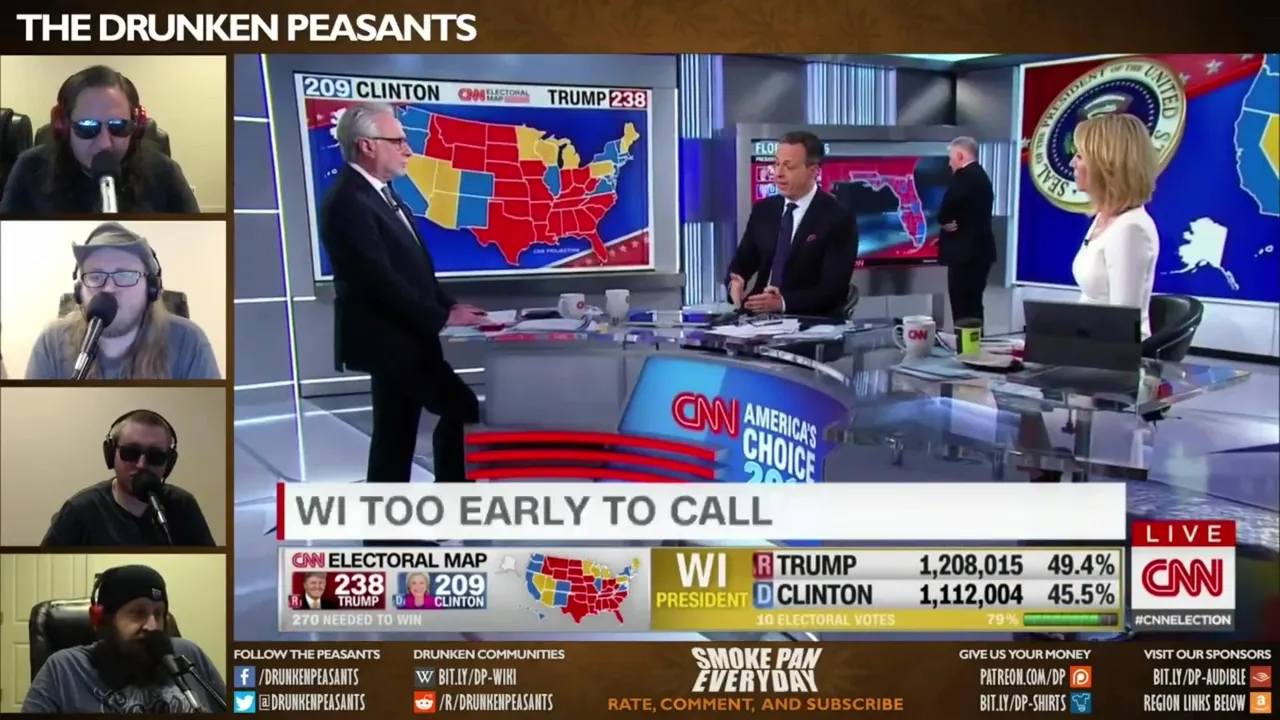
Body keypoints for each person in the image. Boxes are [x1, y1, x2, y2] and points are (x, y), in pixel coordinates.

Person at [318, 102, 485, 548]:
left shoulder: (382, 194)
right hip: (390, 342)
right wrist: (440, 317)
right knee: (461, 407)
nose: (408, 150)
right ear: (367, 146)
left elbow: (413, 270)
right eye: (398, 141)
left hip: (403, 340)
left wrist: (449, 305)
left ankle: (386, 536)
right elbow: (379, 281)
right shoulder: (347, 203)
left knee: (394, 437)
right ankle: (452, 515)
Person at [1018, 112, 1160, 482]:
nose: (1073, 164)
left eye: (1081, 155)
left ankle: (1047, 475)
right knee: (1006, 380)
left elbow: (1120, 324)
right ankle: (1045, 472)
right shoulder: (1103, 220)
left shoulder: (1131, 229)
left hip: (1108, 363)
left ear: (1107, 163)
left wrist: (1058, 355)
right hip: (1082, 349)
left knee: (1014, 391)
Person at [25, 222, 221, 380]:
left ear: (151, 288)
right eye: (95, 276)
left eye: (125, 275)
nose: (108, 288)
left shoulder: (188, 342)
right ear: (79, 290)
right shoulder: (51, 343)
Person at [21, 564, 226, 713]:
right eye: (137, 613)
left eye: (158, 614)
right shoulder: (64, 669)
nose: (152, 626)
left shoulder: (188, 654)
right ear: (102, 619)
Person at [0, 65, 200, 214]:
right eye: (88, 126)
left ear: (137, 126)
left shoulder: (165, 173)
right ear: (64, 126)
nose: (105, 143)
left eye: (119, 126)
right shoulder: (30, 169)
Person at [726, 131, 859, 319]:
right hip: (756, 319)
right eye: (776, 164)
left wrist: (782, 302)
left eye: (788, 166)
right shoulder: (764, 210)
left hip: (809, 322)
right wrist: (735, 282)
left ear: (813, 171)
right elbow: (742, 263)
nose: (778, 173)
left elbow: (832, 290)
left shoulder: (838, 218)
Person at [41, 409, 216, 547]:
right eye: (131, 452)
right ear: (111, 454)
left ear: (168, 463)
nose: (141, 465)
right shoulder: (81, 510)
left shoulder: (184, 505)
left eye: (155, 456)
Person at [937, 136, 997, 327]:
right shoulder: (982, 176)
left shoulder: (964, 177)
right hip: (980, 253)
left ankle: (965, 345)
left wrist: (944, 221)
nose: (949, 164)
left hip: (964, 255)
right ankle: (975, 343)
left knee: (962, 308)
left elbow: (945, 211)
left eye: (951, 158)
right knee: (973, 306)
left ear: (960, 155)